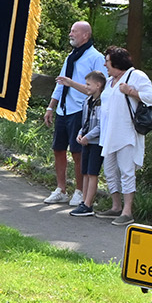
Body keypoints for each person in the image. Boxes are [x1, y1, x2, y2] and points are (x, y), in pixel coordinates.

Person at [90, 46, 152, 225]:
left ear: (117, 63)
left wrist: (131, 92)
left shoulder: (136, 76)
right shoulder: (110, 81)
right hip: (108, 134)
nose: (105, 65)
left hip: (126, 133)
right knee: (110, 171)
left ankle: (127, 212)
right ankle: (116, 207)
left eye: (107, 61)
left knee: (126, 172)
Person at [45, 21, 105, 207]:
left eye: (74, 31)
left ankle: (79, 191)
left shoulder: (96, 58)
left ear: (85, 35)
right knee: (58, 149)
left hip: (80, 110)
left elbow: (99, 88)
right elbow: (60, 83)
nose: (70, 34)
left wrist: (71, 83)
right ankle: (61, 189)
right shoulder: (71, 57)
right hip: (63, 109)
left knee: (77, 152)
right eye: (71, 31)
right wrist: (51, 107)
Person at [68, 71, 106, 217]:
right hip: (86, 141)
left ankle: (89, 204)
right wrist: (80, 134)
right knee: (85, 172)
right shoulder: (87, 101)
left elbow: (101, 125)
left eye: (89, 84)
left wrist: (88, 137)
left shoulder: (102, 103)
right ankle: (83, 201)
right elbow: (85, 122)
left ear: (98, 85)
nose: (86, 87)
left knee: (92, 172)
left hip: (96, 142)